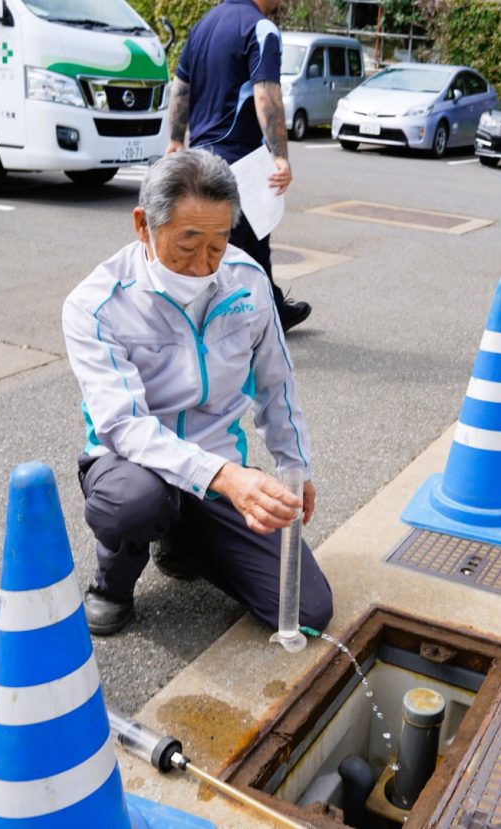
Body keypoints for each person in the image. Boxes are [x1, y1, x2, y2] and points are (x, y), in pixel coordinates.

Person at [62, 150, 333, 636]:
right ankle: (113, 581)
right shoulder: (96, 305)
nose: (203, 266)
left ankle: (187, 538)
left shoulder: (247, 281)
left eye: (218, 244)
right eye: (187, 245)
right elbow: (124, 425)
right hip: (133, 467)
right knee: (136, 503)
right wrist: (228, 478)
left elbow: (277, 385)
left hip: (218, 468)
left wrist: (296, 470)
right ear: (143, 225)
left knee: (308, 611)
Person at [165, 0, 312, 333]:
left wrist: (175, 140)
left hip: (201, 156)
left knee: (254, 240)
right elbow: (266, 94)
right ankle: (197, 321)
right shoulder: (260, 28)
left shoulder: (202, 26)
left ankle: (272, 308)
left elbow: (181, 88)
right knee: (230, 250)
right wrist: (280, 156)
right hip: (240, 162)